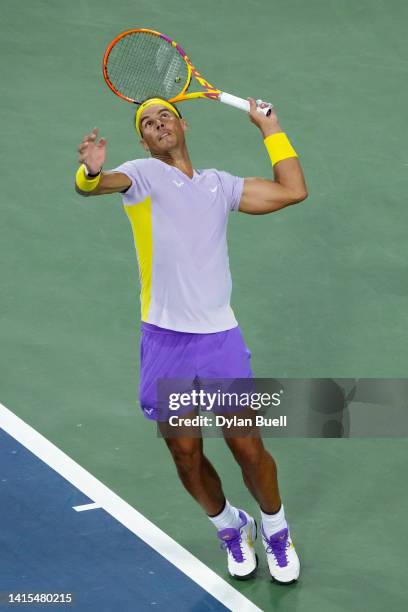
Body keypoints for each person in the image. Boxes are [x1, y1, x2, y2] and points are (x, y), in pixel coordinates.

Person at [75, 96, 307, 584]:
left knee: (246, 447)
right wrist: (90, 174)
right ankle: (228, 526)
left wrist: (270, 128)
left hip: (219, 339)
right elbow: (95, 186)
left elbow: (293, 191)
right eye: (147, 123)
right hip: (165, 342)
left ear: (182, 124)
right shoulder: (140, 175)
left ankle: (276, 528)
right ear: (142, 141)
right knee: (184, 453)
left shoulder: (219, 185)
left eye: (164, 117)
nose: (157, 124)